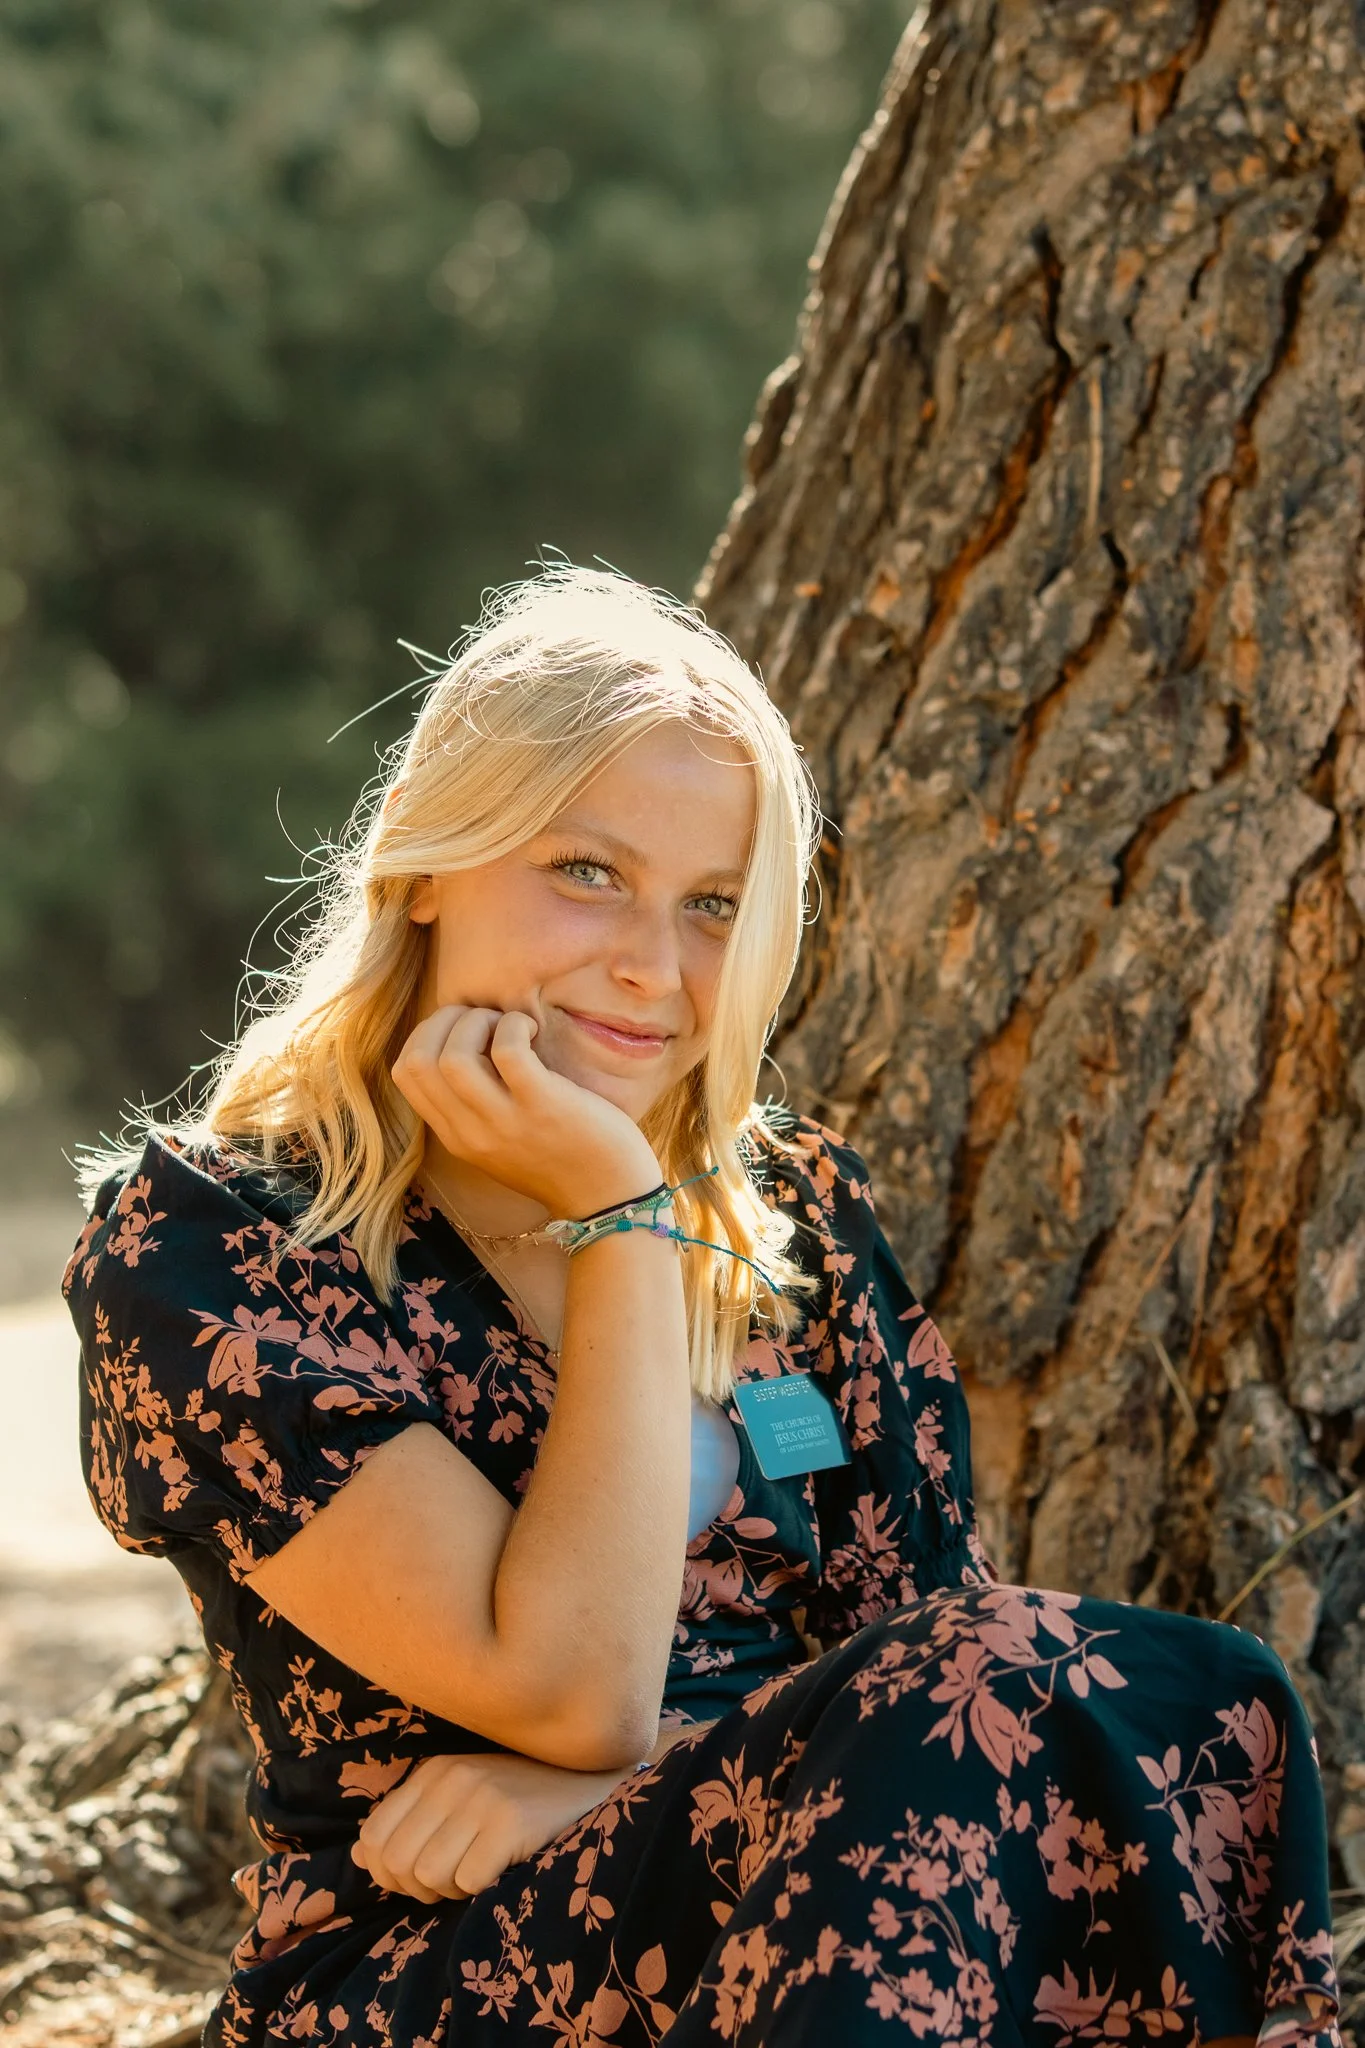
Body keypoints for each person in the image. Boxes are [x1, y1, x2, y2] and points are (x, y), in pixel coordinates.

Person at [63, 564, 1341, 2048]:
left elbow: (929, 1657)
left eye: (714, 904)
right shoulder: (218, 1245)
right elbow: (561, 1690)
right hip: (438, 1958)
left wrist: (612, 1788)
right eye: (587, 871)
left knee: (1216, 1704)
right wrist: (619, 1219)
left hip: (833, 1914)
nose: (651, 966)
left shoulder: (792, 1212)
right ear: (424, 864)